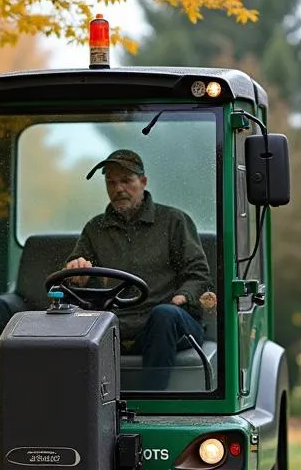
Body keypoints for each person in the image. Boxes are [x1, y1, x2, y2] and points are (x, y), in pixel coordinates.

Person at [65, 149, 216, 390]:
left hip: (164, 325)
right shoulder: (95, 229)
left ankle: (153, 404)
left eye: (126, 181)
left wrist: (182, 297)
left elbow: (198, 273)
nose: (118, 189)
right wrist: (77, 273)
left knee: (164, 316)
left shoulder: (174, 221)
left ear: (143, 182)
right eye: (111, 182)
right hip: (113, 328)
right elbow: (76, 268)